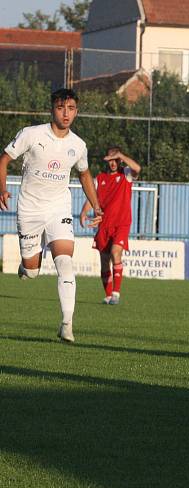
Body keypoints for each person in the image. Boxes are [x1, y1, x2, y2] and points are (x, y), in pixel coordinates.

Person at [0, 88, 103, 342]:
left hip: (59, 209)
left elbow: (84, 173)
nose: (65, 113)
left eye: (70, 109)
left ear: (76, 111)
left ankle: (67, 324)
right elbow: (3, 160)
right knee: (32, 271)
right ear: (52, 109)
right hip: (30, 209)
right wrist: (2, 188)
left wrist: (97, 206)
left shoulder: (78, 145)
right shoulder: (32, 134)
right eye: (60, 107)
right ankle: (28, 263)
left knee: (65, 263)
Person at [80, 147, 141, 305]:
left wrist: (121, 154)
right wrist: (84, 212)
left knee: (116, 253)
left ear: (119, 160)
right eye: (111, 159)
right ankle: (108, 296)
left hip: (121, 224)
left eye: (116, 159)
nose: (113, 163)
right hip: (104, 225)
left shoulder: (126, 175)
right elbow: (91, 198)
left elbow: (137, 168)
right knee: (104, 260)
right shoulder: (100, 178)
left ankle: (116, 293)